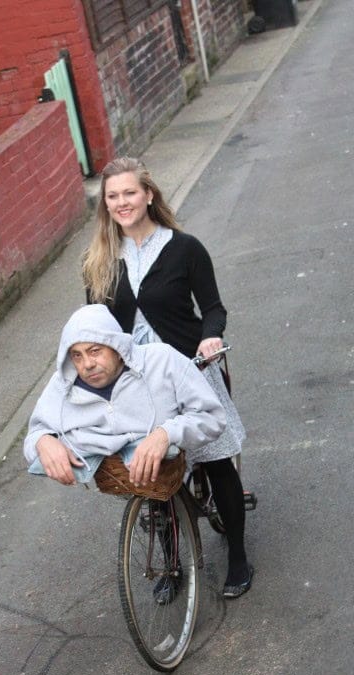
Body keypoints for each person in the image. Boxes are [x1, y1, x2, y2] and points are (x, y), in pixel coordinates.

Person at [82, 156, 253, 599]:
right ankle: (171, 565)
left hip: (190, 370)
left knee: (216, 462)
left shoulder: (184, 248)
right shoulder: (98, 261)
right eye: (113, 196)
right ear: (106, 203)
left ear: (148, 195)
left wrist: (209, 338)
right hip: (137, 382)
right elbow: (94, 327)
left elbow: (212, 308)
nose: (122, 203)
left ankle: (237, 554)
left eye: (129, 193)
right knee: (151, 472)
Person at [24, 303, 225, 490]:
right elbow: (35, 433)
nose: (87, 364)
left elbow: (212, 417)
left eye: (95, 351)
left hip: (174, 453)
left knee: (221, 474)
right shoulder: (61, 384)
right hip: (122, 474)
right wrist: (43, 441)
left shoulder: (162, 360)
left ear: (118, 347)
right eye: (77, 355)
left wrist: (166, 433)